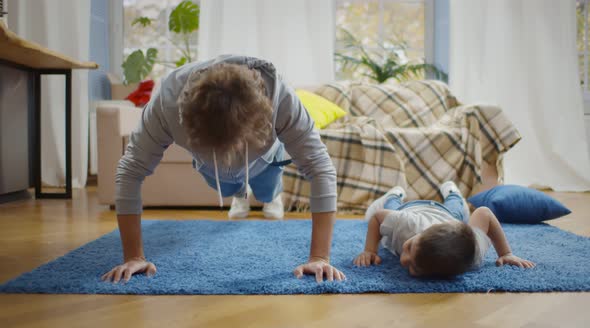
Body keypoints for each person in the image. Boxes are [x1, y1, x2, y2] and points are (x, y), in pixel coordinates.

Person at [101, 55, 345, 283]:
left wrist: (320, 258)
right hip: (211, 169)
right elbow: (130, 171)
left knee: (267, 192)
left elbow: (321, 169)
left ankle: (269, 193)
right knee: (229, 188)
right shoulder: (165, 107)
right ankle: (239, 194)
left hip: (266, 160)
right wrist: (134, 257)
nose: (232, 159)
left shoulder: (283, 101)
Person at [354, 181, 535, 277]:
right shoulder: (406, 223)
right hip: (413, 209)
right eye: (409, 247)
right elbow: (378, 218)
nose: (403, 260)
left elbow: (485, 213)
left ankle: (452, 193)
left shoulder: (470, 254)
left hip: (448, 218)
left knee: (457, 211)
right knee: (391, 204)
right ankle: (397, 192)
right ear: (419, 235)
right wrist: (369, 250)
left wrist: (505, 254)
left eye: (415, 268)